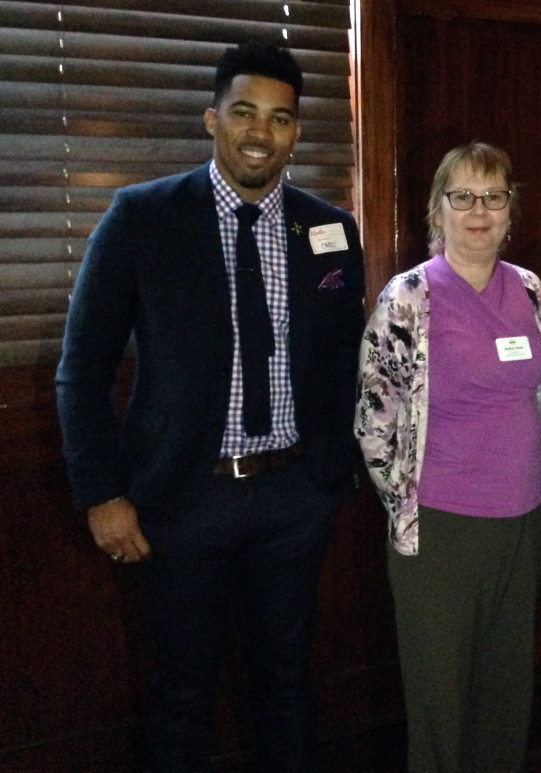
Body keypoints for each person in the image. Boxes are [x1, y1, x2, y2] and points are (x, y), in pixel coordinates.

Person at [55, 40, 365, 771]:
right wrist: (102, 492)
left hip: (294, 496)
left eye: (280, 118)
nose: (261, 132)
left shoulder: (329, 229)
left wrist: (332, 475)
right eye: (244, 113)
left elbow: (343, 357)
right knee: (182, 693)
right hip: (184, 498)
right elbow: (82, 369)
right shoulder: (141, 218)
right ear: (211, 119)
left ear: (297, 132)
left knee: (288, 684)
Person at [355, 142, 541, 772]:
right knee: (441, 701)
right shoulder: (408, 297)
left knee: (505, 691)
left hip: (521, 522)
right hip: (440, 530)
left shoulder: (528, 287)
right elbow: (374, 421)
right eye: (461, 196)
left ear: (510, 209)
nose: (478, 210)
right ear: (437, 209)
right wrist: (408, 506)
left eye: (493, 196)